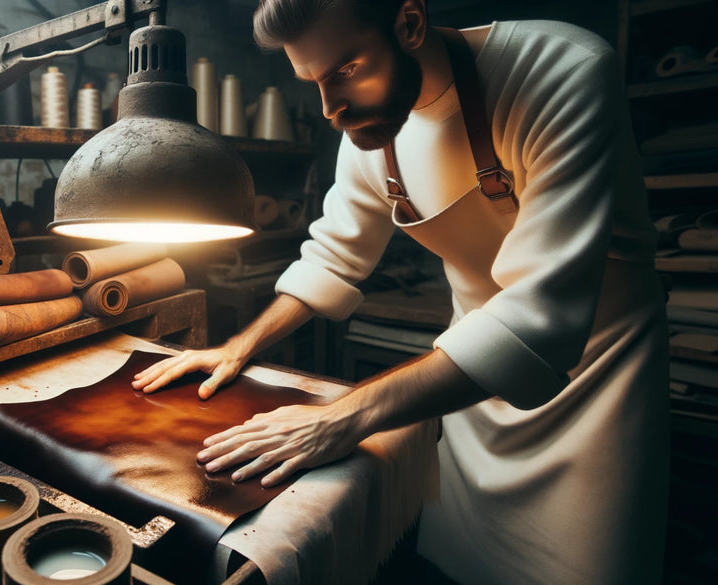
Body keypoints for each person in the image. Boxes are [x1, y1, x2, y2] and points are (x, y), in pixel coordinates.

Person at [132, 0, 669, 582]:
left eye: (343, 71)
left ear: (409, 24)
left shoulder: (560, 71)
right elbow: (333, 257)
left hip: (600, 372)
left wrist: (342, 417)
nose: (330, 109)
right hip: (466, 377)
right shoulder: (368, 132)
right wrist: (239, 346)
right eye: (312, 81)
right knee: (459, 562)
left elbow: (544, 312)